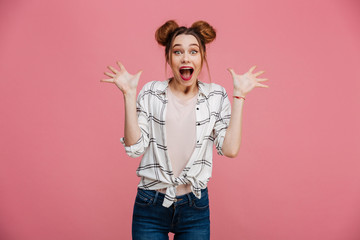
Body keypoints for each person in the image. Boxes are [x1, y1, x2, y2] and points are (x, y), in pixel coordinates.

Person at [101, 20, 269, 240]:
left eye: (193, 51)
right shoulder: (152, 92)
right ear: (169, 58)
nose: (185, 57)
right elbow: (134, 147)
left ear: (202, 58)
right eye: (177, 51)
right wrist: (129, 95)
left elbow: (229, 150)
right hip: (150, 203)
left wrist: (239, 96)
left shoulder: (216, 96)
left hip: (194, 206)